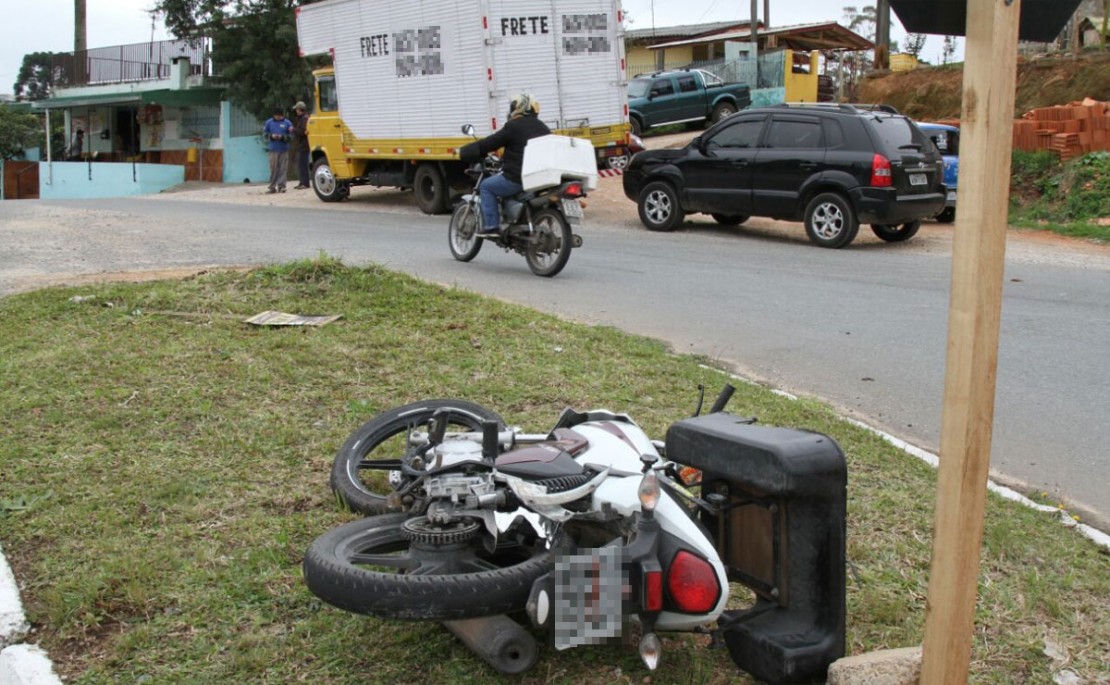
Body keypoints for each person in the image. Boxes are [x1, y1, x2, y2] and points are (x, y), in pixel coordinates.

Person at [459, 94, 551, 234]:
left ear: (519, 108)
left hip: (517, 177)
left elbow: (490, 142)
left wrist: (467, 151)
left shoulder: (513, 126)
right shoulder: (543, 128)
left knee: (486, 186)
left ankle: (492, 226)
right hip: (539, 178)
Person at [262, 107, 293, 193]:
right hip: (273, 149)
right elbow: (264, 135)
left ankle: (281, 186)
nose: (279, 117)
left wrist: (282, 137)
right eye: (277, 115)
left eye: (280, 116)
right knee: (273, 168)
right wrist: (271, 136)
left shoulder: (287, 123)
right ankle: (272, 187)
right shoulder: (268, 123)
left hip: (284, 149)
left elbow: (291, 136)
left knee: (283, 168)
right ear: (274, 115)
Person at [290, 101, 311, 189]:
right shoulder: (302, 118)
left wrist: (293, 130)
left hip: (304, 145)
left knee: (303, 164)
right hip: (302, 144)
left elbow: (303, 132)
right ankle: (302, 182)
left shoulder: (304, 118)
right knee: (301, 164)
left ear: (299, 109)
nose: (296, 111)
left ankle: (305, 183)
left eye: (297, 109)